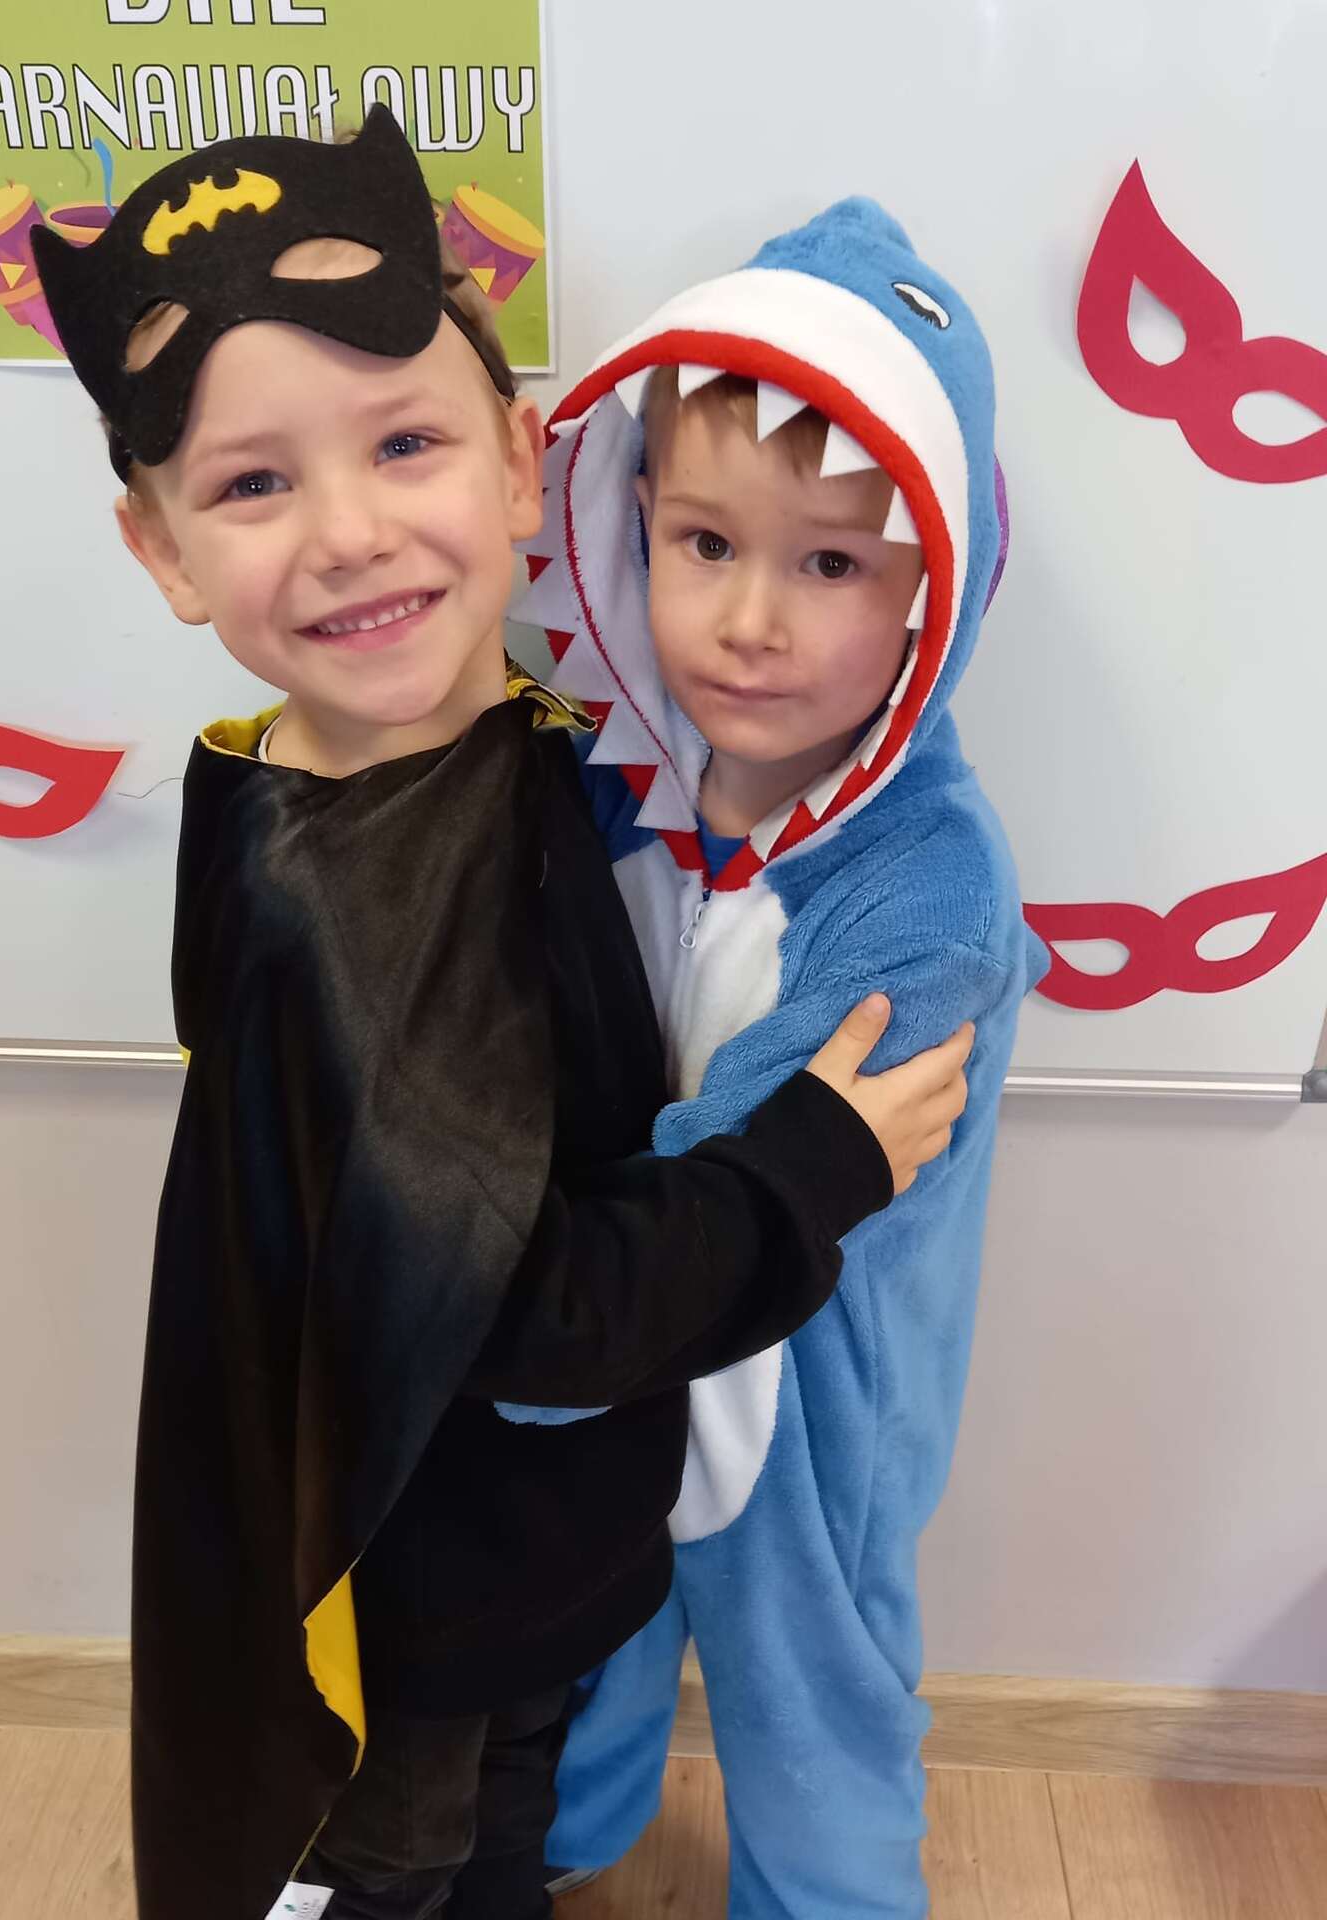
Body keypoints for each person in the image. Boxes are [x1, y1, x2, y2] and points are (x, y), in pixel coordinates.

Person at [30, 118, 971, 1920]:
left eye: (404, 443)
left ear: (525, 463)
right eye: (253, 484)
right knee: (421, 1871)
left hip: (520, 1561)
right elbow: (537, 1313)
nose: (353, 533)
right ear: (161, 549)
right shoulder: (347, 912)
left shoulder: (491, 736)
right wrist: (813, 1165)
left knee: (506, 1838)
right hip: (416, 1613)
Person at [512, 198, 1049, 1918]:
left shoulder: (926, 890)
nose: (749, 621)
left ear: (929, 597)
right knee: (589, 1625)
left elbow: (776, 1141)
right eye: (704, 543)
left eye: (829, 565)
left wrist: (535, 1337)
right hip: (625, 1336)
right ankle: (566, 1841)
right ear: (630, 524)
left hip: (809, 1405)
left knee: (813, 1699)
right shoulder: (614, 775)